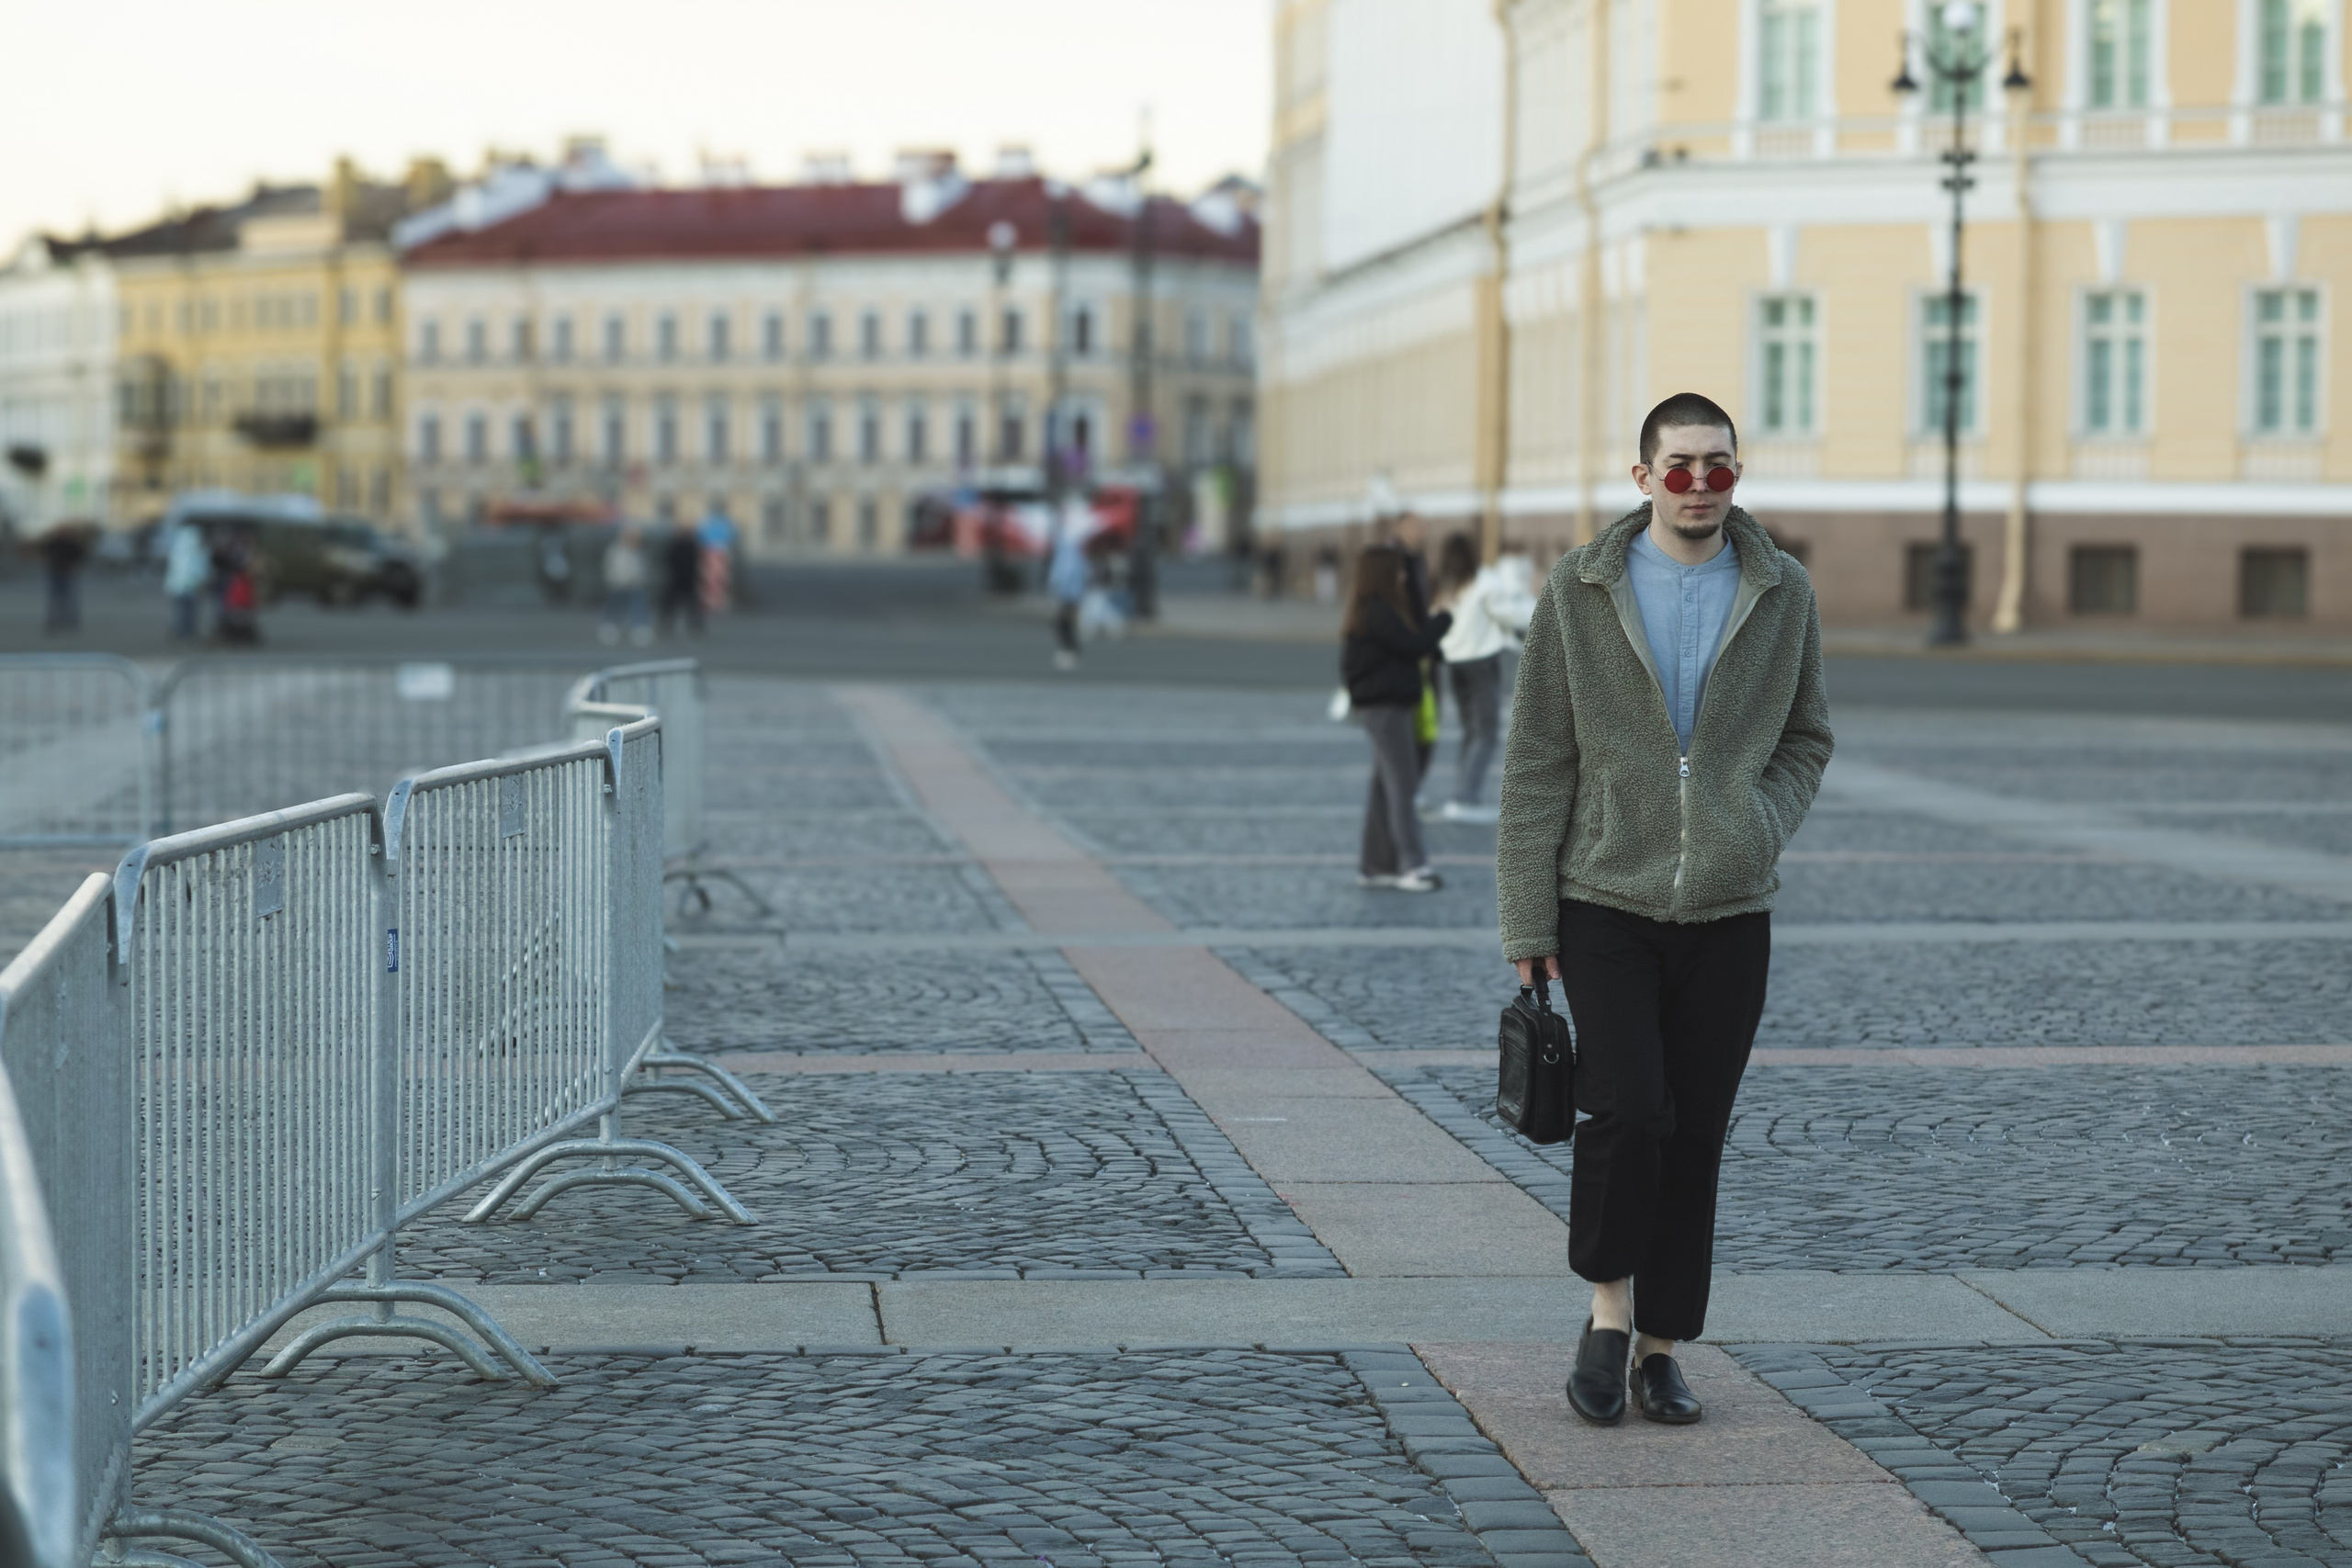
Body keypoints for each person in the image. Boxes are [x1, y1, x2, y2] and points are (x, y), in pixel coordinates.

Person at [1495, 391, 1832, 1427]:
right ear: (1641, 478)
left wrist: (1754, 825)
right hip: (1605, 898)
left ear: (1739, 474)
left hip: (1730, 911)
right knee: (1629, 1110)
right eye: (1678, 467)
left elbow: (1805, 739)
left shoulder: (1780, 592)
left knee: (1696, 1134)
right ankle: (1604, 1310)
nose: (1698, 486)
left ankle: (1660, 1345)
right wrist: (1527, 922)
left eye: (1717, 468)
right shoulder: (1580, 589)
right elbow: (1539, 761)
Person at [1342, 544, 1453, 893]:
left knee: (1384, 788)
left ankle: (1374, 866)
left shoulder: (1373, 611)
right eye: (1398, 571)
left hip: (1385, 707)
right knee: (1402, 786)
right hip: (1386, 708)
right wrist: (1442, 620)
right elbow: (1412, 645)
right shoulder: (1380, 612)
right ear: (1384, 575)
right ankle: (1413, 865)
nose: (1404, 576)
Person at [1432, 532, 1537, 824]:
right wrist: (1538, 612)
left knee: (1470, 731)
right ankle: (1466, 796)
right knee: (1486, 732)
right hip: (1480, 662)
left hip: (1454, 662)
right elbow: (1508, 615)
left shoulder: (1446, 585)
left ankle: (1463, 793)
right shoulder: (1484, 582)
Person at [601, 525, 652, 646]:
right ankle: (610, 627)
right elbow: (611, 567)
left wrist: (641, 580)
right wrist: (614, 579)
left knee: (639, 607)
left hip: (636, 584)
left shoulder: (638, 551)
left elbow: (642, 568)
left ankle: (640, 628)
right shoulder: (616, 550)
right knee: (614, 607)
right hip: (619, 584)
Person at [1047, 519, 1088, 671]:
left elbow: (1063, 570)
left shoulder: (1066, 545)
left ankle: (1070, 652)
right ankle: (1071, 651)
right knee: (1067, 623)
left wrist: (1055, 585)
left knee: (1065, 623)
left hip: (1068, 591)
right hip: (1071, 590)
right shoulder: (1073, 546)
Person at [164, 519, 211, 639]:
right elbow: (200, 570)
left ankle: (181, 632)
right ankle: (185, 633)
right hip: (189, 587)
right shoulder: (197, 551)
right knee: (188, 612)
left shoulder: (179, 549)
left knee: (182, 612)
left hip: (178, 587)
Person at [38, 525, 87, 635]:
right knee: (55, 598)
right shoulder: (53, 543)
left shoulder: (73, 544)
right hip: (55, 572)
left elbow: (80, 556)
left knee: (70, 599)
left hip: (68, 573)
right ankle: (54, 621)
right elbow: (43, 551)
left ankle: (70, 622)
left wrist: (74, 567)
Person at [658, 523, 703, 640]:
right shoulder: (692, 545)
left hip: (677, 578)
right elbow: (697, 562)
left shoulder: (675, 544)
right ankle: (695, 625)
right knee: (690, 604)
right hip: (688, 578)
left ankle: (667, 624)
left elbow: (667, 560)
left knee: (671, 603)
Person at [696, 505, 738, 614]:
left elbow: (699, 536)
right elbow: (733, 537)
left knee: (708, 577)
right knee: (722, 577)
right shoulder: (726, 523)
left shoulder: (705, 522)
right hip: (722, 550)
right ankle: (720, 601)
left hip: (708, 550)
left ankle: (708, 600)